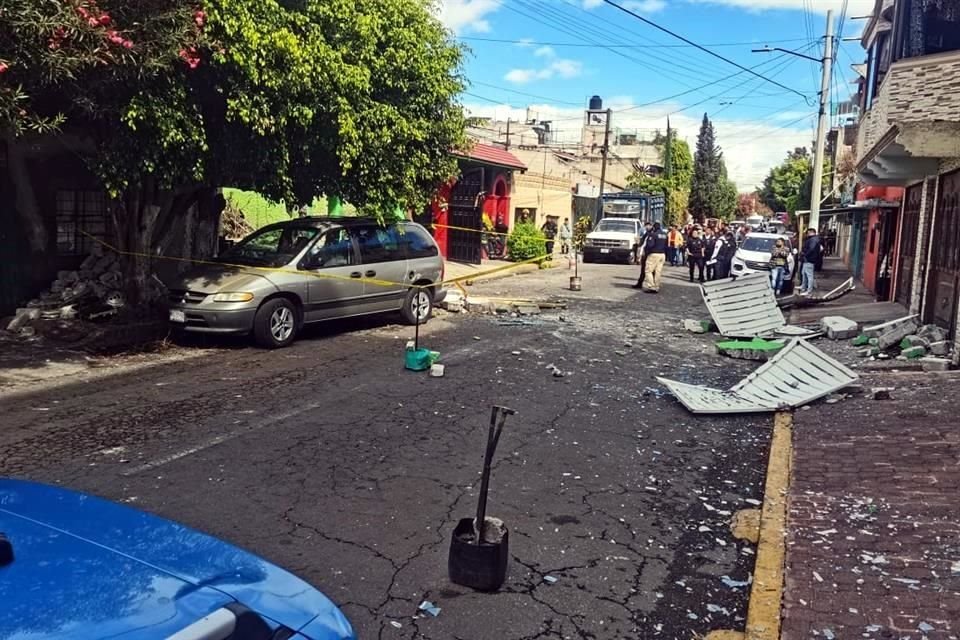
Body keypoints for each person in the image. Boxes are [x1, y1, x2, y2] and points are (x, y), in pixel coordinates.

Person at [641, 223, 669, 292]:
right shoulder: (665, 235)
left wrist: (646, 251)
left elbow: (650, 245)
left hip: (654, 254)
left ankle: (651, 286)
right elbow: (667, 245)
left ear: (654, 227)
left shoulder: (653, 235)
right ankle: (657, 286)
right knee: (658, 271)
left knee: (648, 271)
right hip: (662, 254)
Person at [799, 228, 822, 295]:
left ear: (812, 232)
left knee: (809, 275)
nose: (807, 234)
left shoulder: (813, 240)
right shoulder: (813, 239)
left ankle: (809, 291)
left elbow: (811, 249)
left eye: (808, 233)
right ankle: (803, 287)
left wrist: (805, 255)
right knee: (804, 273)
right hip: (808, 259)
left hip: (809, 259)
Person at [632, 222, 655, 288]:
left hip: (649, 254)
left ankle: (652, 285)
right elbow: (642, 242)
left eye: (648, 226)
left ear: (651, 226)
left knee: (651, 270)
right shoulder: (646, 233)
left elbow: (650, 244)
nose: (646, 227)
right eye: (646, 226)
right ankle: (640, 283)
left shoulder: (652, 234)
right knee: (643, 269)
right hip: (644, 253)